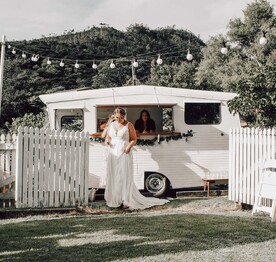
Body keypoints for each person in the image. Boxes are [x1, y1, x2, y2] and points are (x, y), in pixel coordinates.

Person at [103, 107, 169, 210]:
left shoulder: (129, 125)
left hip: (124, 151)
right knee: (114, 175)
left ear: (124, 116)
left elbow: (134, 139)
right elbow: (108, 137)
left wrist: (129, 146)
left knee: (123, 175)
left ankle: (125, 199)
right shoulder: (112, 124)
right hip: (112, 152)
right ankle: (115, 198)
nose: (118, 119)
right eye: (116, 117)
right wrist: (107, 141)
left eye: (120, 117)